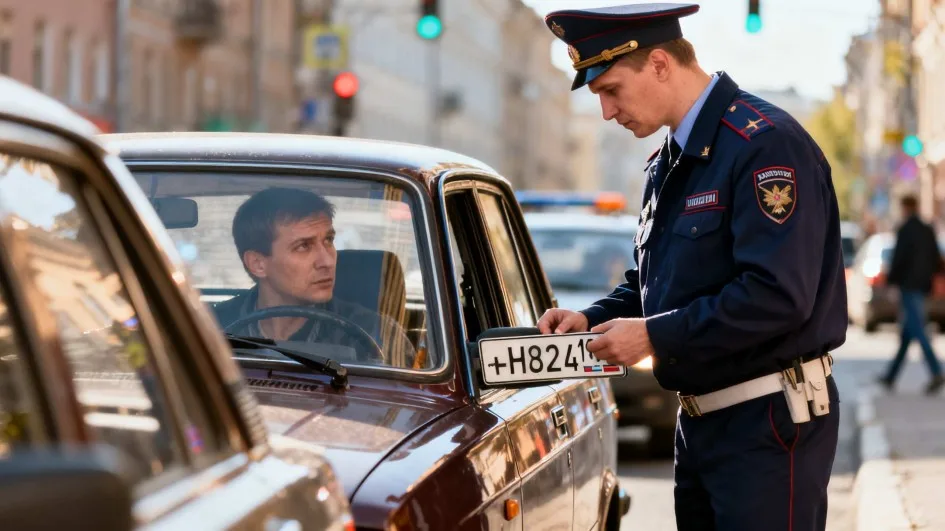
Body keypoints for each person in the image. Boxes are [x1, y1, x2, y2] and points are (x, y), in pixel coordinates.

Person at [538, 4, 847, 530]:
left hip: (767, 422)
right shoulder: (670, 159)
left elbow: (776, 295)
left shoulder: (764, 144)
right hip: (701, 422)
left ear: (660, 64)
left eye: (611, 89)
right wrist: (590, 319)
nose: (607, 112)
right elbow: (657, 281)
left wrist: (653, 336)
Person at [213, 187, 415, 366]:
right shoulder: (211, 328)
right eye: (303, 246)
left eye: (328, 240)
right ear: (258, 264)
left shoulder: (376, 335)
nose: (327, 261)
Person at [878, 195, 945, 394]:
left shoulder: (906, 229)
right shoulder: (926, 229)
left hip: (909, 286)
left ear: (905, 207)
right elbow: (936, 258)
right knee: (907, 334)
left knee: (918, 330)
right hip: (922, 286)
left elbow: (899, 257)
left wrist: (891, 281)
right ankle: (890, 376)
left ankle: (936, 371)